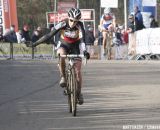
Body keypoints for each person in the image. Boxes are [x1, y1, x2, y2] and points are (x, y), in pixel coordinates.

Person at [31, 8, 90, 105]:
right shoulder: (62, 23)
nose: (73, 23)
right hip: (64, 44)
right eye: (71, 20)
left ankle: (79, 93)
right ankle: (63, 77)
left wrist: (84, 51)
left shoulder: (80, 25)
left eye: (75, 21)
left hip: (76, 46)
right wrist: (35, 43)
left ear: (78, 20)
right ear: (68, 18)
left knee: (78, 71)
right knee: (61, 54)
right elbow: (49, 35)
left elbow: (82, 40)